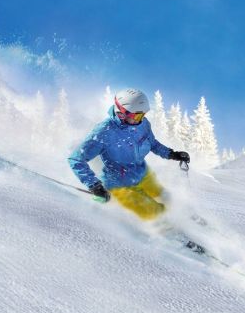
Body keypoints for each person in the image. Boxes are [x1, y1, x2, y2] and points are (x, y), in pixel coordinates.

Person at [68, 88, 190, 221]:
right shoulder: (104, 132)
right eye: (137, 115)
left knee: (166, 198)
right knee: (154, 211)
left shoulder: (142, 124)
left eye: (143, 115)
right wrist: (95, 186)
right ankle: (171, 234)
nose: (141, 119)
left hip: (142, 174)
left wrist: (172, 154)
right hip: (120, 185)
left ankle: (187, 219)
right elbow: (76, 159)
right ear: (122, 113)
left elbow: (152, 143)